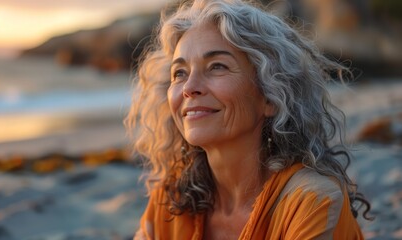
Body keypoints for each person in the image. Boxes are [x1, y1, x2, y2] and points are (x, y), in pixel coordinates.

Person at [126, 0, 372, 239]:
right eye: (179, 73)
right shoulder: (172, 199)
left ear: (271, 97)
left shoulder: (312, 201)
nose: (189, 87)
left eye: (217, 66)